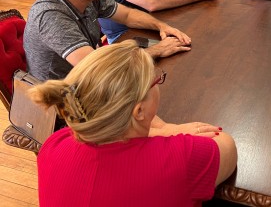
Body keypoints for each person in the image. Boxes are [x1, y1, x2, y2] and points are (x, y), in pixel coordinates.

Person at [31, 40, 237, 206]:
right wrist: (166, 130)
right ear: (139, 111)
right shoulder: (181, 158)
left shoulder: (54, 144)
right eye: (155, 80)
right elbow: (227, 145)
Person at [23, 0, 191, 81]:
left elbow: (127, 15)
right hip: (63, 98)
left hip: (88, 78)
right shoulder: (50, 17)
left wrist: (162, 26)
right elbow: (96, 67)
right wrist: (157, 50)